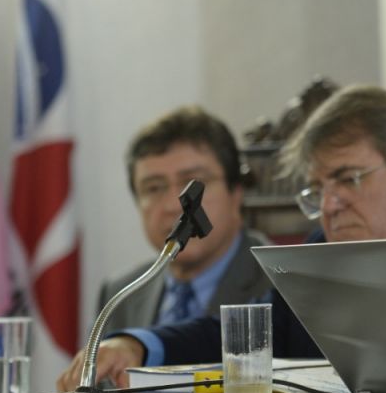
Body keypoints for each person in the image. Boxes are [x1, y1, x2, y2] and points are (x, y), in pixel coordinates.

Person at [58, 86, 386, 391]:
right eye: (318, 189)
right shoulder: (323, 251)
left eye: (347, 179)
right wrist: (138, 345)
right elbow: (240, 333)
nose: (330, 204)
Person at [94, 106, 271, 333]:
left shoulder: (281, 284)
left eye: (192, 185)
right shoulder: (120, 294)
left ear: (236, 193)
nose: (173, 205)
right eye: (154, 188)